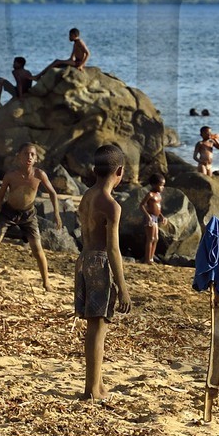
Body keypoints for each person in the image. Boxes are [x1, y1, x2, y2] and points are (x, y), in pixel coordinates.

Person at [77, 144, 133, 400]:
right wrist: (122, 287)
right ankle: (92, 388)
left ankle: (97, 384)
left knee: (93, 325)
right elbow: (113, 249)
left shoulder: (87, 196)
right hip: (100, 263)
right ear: (119, 172)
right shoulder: (111, 205)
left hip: (84, 259)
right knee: (98, 328)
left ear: (94, 170)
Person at [0, 143, 62, 290]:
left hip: (28, 214)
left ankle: (46, 282)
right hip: (8, 212)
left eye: (32, 155)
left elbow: (52, 193)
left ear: (36, 159)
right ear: (18, 157)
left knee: (37, 248)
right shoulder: (10, 176)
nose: (29, 157)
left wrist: (56, 214)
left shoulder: (39, 174)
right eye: (26, 154)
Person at [139, 176, 165, 265]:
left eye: (163, 185)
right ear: (154, 185)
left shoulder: (158, 195)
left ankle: (151, 257)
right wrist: (148, 216)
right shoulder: (150, 194)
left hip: (156, 218)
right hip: (150, 217)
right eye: (160, 185)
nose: (162, 187)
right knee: (150, 238)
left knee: (156, 238)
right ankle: (147, 259)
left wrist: (162, 216)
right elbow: (141, 205)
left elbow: (158, 208)